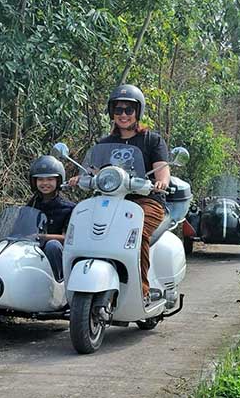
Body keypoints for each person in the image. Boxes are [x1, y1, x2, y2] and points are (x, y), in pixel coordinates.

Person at [68, 84, 170, 302]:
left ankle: (142, 289)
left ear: (138, 112)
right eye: (118, 110)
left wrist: (160, 182)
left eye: (129, 110)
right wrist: (81, 178)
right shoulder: (104, 143)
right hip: (109, 201)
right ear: (111, 112)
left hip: (145, 200)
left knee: (137, 232)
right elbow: (92, 170)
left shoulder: (151, 140)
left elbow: (162, 170)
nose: (123, 115)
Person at [27, 155, 75, 282]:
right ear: (34, 181)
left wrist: (42, 237)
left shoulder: (68, 208)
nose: (45, 183)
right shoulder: (31, 205)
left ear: (58, 181)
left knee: (52, 245)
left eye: (50, 179)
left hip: (57, 255)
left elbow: (68, 238)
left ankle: (58, 286)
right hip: (32, 250)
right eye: (40, 180)